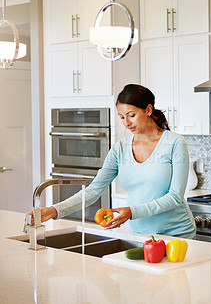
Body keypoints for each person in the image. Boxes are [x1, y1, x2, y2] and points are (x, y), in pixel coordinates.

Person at [27, 84, 196, 239]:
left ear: (148, 109)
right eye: (122, 117)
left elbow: (174, 197)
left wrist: (131, 212)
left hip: (177, 234)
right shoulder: (120, 148)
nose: (126, 123)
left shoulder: (174, 142)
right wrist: (55, 210)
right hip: (139, 234)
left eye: (131, 115)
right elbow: (93, 191)